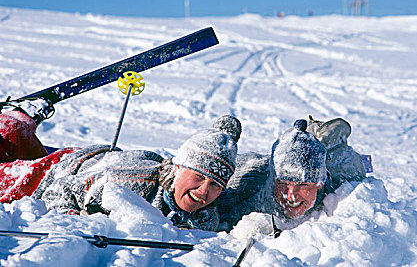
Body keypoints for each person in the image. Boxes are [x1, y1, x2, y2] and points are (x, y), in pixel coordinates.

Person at [0, 98, 241, 231]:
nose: (203, 192)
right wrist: (74, 219)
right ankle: (16, 118)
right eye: (198, 177)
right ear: (177, 168)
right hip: (58, 171)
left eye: (215, 185)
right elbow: (61, 189)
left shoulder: (205, 216)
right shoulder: (132, 182)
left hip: (95, 163)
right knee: (8, 145)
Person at [217, 118, 367, 234]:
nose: (291, 196)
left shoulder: (342, 177)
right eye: (282, 183)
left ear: (320, 183)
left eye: (303, 185)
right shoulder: (250, 191)